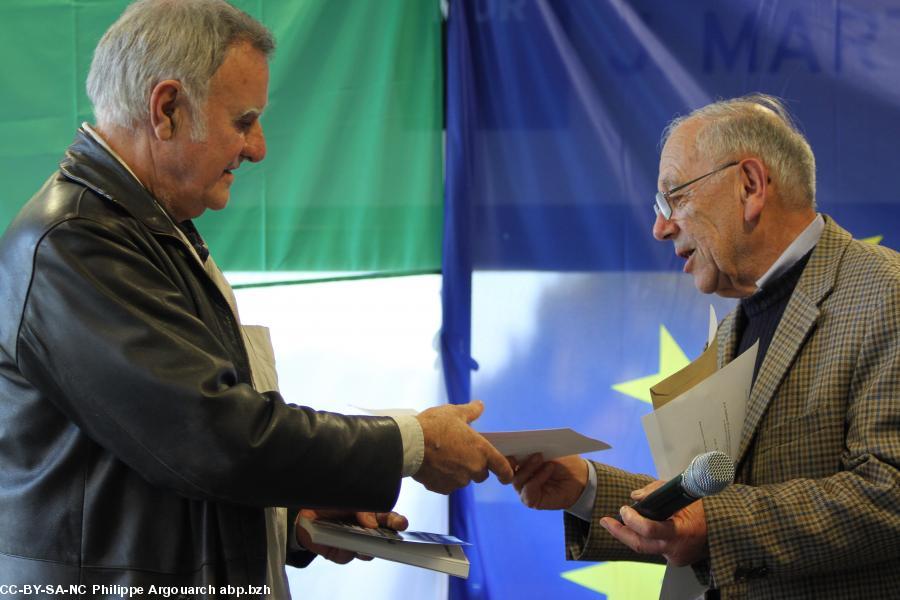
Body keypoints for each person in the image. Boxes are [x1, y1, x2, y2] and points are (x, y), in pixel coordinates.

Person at [0, 0, 513, 595]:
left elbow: (160, 455)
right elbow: (208, 435)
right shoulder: (77, 243)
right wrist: (412, 442)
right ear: (166, 110)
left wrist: (290, 519)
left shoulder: (143, 230)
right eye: (243, 121)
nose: (258, 147)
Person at [513, 94, 900, 598]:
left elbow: (890, 491)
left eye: (674, 197)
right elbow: (703, 502)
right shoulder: (733, 327)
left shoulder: (887, 294)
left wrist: (715, 524)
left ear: (750, 185)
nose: (659, 228)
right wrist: (587, 488)